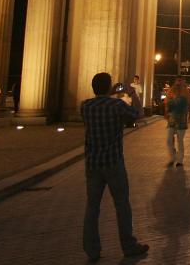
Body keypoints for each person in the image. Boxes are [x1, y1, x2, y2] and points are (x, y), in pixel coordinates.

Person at [81, 73, 148, 262]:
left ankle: (91, 249)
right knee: (122, 205)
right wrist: (132, 93)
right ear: (109, 88)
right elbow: (138, 114)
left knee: (92, 207)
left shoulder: (85, 106)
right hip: (113, 162)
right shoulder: (116, 106)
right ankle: (128, 245)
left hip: (93, 164)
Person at [164, 78, 190, 168]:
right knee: (169, 140)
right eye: (177, 82)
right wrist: (167, 113)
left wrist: (189, 115)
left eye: (180, 82)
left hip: (182, 120)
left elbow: (188, 105)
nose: (178, 84)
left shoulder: (185, 94)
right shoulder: (171, 92)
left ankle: (180, 160)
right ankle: (172, 157)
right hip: (172, 120)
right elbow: (168, 105)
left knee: (180, 140)